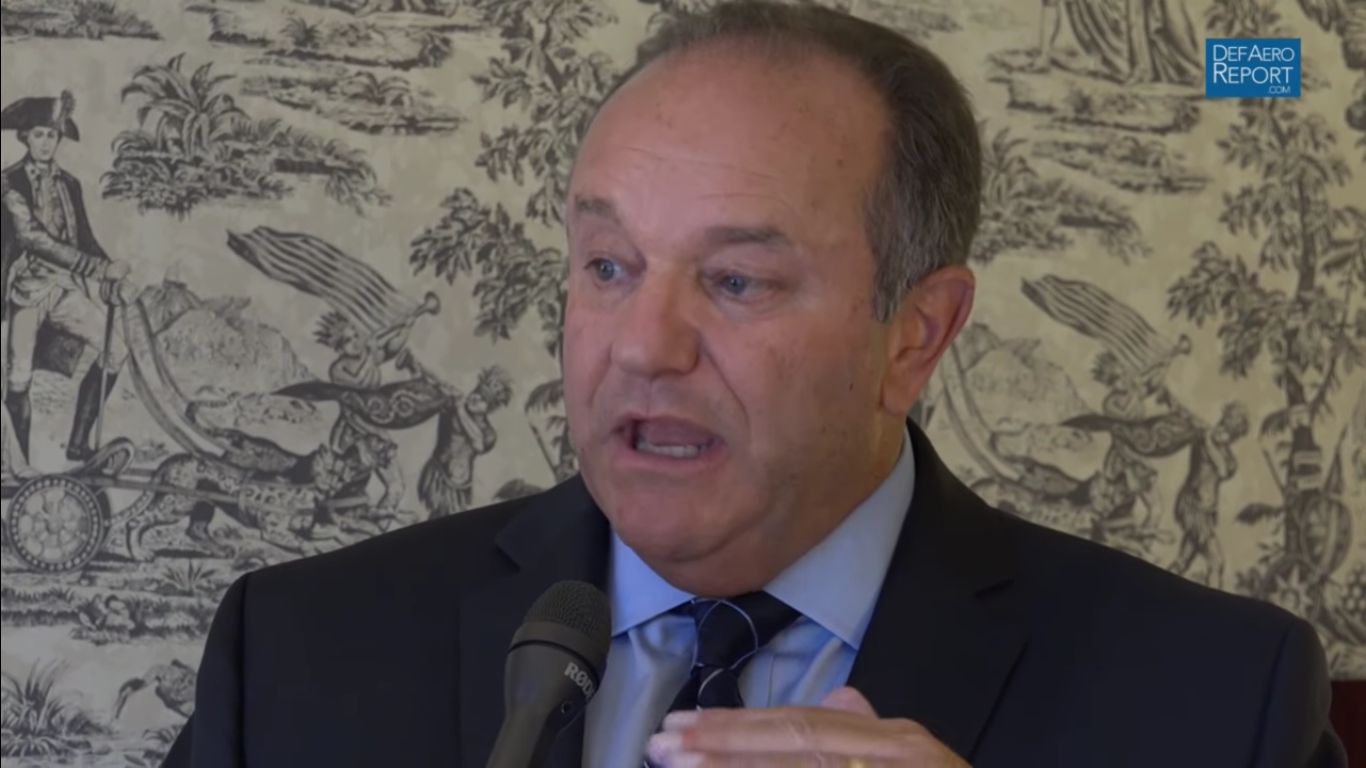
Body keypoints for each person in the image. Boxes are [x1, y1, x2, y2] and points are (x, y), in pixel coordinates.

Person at [163, 2, 1346, 766]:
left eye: (736, 281)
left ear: (915, 335)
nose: (643, 346)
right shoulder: (302, 653)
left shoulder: (1218, 702)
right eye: (608, 266)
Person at [1, 90, 130, 473]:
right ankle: (16, 467)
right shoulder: (9, 183)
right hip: (24, 293)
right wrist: (97, 268)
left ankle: (79, 445)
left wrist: (111, 273)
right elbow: (32, 239)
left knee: (116, 349)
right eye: (39, 134)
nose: (45, 142)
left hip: (64, 291)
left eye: (52, 135)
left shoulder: (69, 184)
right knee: (18, 378)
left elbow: (84, 238)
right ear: (25, 137)